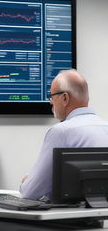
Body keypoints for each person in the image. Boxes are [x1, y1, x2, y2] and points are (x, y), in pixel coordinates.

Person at [19, 69, 108, 200]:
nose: (50, 102)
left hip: (65, 218)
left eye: (52, 97)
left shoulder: (61, 131)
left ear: (65, 98)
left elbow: (30, 193)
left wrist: (26, 183)